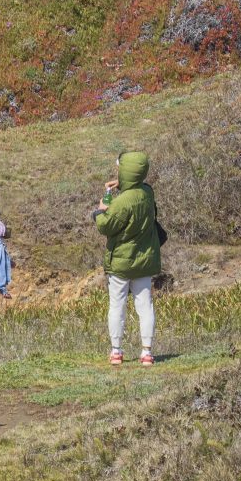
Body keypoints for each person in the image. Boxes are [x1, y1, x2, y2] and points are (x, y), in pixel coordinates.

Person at [92, 151, 162, 366]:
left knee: (117, 306)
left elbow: (105, 226)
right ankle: (147, 352)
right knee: (145, 306)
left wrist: (100, 210)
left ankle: (116, 351)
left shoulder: (122, 202)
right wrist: (122, 185)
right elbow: (142, 194)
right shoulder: (147, 193)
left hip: (121, 263)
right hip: (144, 261)